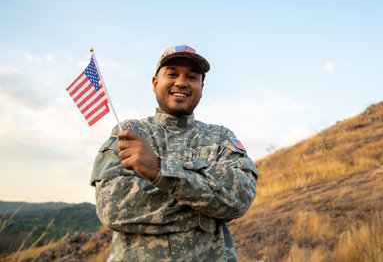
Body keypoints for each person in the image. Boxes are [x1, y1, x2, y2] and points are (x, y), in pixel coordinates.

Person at [90, 45, 258, 261]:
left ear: (201, 86)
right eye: (172, 74)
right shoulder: (128, 133)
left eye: (192, 76)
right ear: (155, 82)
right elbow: (113, 209)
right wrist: (209, 211)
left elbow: (241, 196)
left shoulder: (221, 137)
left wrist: (159, 170)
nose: (181, 82)